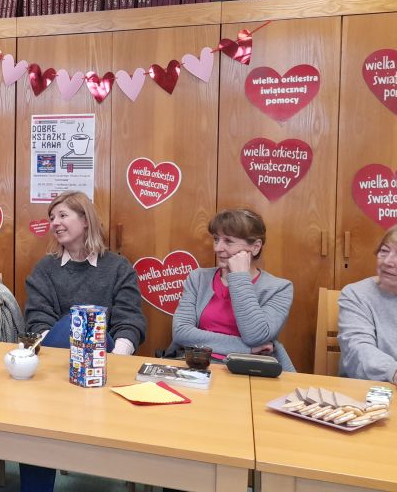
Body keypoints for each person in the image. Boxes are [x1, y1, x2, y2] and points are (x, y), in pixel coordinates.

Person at [21, 191, 146, 492]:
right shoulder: (45, 269)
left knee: (94, 327)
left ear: (85, 221)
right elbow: (38, 323)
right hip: (56, 368)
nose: (55, 223)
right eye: (52, 217)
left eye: (63, 215)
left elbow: (131, 319)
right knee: (75, 324)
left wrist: (115, 356)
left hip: (106, 369)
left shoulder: (118, 267)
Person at [169, 208, 295, 371]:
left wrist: (239, 278)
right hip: (199, 365)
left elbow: (256, 336)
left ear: (256, 247)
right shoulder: (198, 278)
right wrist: (246, 349)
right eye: (216, 239)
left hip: (250, 370)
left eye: (228, 241)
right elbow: (181, 333)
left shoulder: (279, 288)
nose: (217, 248)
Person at [338, 220, 397, 395]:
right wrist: (395, 372)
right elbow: (357, 350)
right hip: (371, 395)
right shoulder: (357, 294)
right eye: (384, 251)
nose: (387, 262)